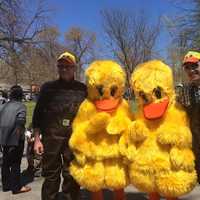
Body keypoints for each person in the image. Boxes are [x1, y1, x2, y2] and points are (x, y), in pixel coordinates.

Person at [33, 51, 87, 200]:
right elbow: (37, 115)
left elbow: (90, 116)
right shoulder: (48, 88)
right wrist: (37, 139)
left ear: (74, 68)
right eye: (61, 66)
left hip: (74, 139)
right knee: (51, 175)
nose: (64, 68)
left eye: (67, 66)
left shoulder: (83, 89)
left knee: (72, 174)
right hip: (51, 138)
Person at [0, 85, 31, 194]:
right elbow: (20, 122)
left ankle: (6, 185)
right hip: (15, 138)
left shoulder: (3, 106)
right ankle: (16, 188)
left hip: (3, 138)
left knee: (5, 162)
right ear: (21, 95)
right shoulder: (21, 106)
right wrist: (17, 140)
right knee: (15, 163)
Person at [181, 50, 200, 183]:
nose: (191, 70)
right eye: (187, 67)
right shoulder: (185, 91)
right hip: (196, 144)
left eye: (195, 66)